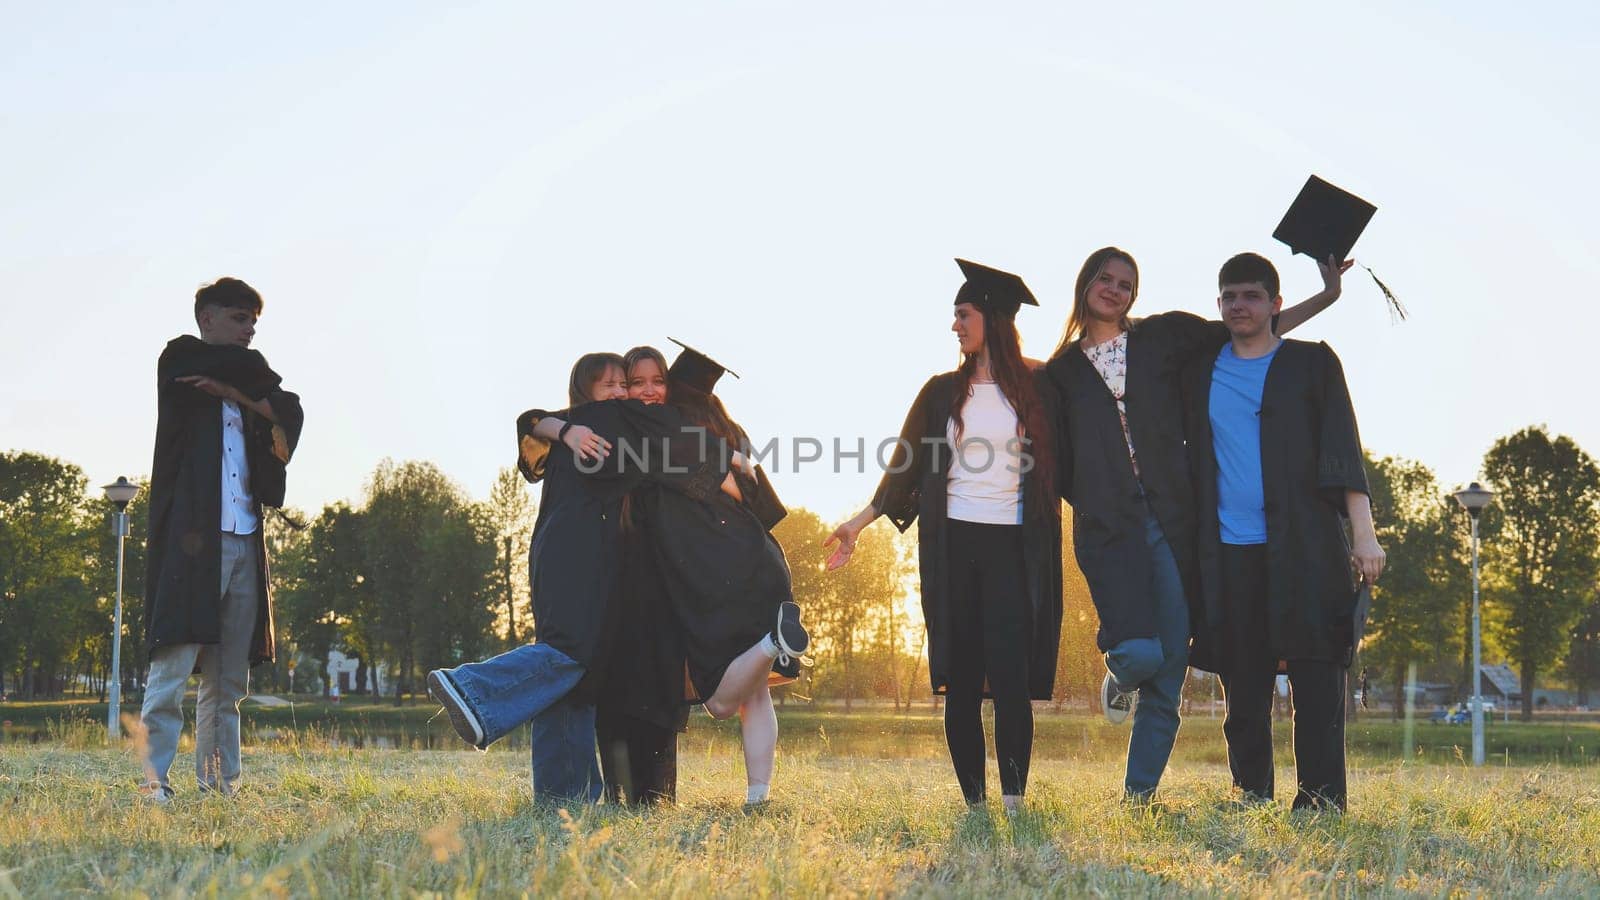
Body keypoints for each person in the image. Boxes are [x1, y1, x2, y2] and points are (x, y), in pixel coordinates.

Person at [1043, 246, 1346, 802]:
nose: (1114, 290)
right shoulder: (1059, 374)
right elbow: (1050, 456)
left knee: (1173, 666)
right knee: (1141, 655)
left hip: (1173, 520)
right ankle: (1121, 672)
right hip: (1110, 530)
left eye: (1126, 284)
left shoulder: (1162, 339)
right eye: (1105, 280)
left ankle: (1137, 799)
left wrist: (1325, 297)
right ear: (1086, 283)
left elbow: (1253, 330)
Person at [827, 260, 1062, 815]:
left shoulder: (1040, 386)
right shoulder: (939, 394)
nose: (955, 326)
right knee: (960, 681)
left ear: (994, 318)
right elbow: (903, 468)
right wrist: (857, 526)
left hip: (1015, 550)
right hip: (955, 548)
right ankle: (976, 806)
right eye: (954, 316)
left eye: (964, 314)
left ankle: (1014, 803)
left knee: (1009, 679)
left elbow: (1072, 459)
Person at [1180, 252, 1384, 811]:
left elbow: (1343, 450)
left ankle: (1320, 801)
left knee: (1318, 678)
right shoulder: (1202, 368)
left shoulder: (1312, 365)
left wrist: (1364, 536)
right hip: (1228, 552)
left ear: (1275, 303)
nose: (1237, 305)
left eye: (1250, 295)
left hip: (1306, 547)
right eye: (1228, 296)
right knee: (1242, 684)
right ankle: (1251, 796)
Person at [139, 277, 304, 802]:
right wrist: (255, 392)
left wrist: (237, 395)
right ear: (206, 317)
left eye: (254, 321)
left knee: (227, 683)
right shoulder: (179, 359)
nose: (250, 329)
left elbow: (292, 409)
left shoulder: (238, 379)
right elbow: (268, 384)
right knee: (171, 670)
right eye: (238, 318)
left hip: (244, 540)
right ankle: (152, 785)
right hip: (192, 543)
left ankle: (218, 788)